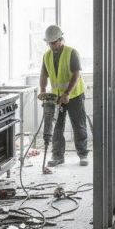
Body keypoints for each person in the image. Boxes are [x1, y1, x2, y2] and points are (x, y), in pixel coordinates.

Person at [38, 24, 89, 167]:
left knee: (78, 125)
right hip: (57, 97)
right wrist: (42, 90)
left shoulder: (71, 53)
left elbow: (76, 74)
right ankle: (57, 156)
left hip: (74, 95)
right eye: (50, 43)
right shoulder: (46, 56)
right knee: (57, 126)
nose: (52, 45)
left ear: (61, 39)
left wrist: (67, 93)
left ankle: (83, 155)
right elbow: (43, 74)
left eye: (55, 42)